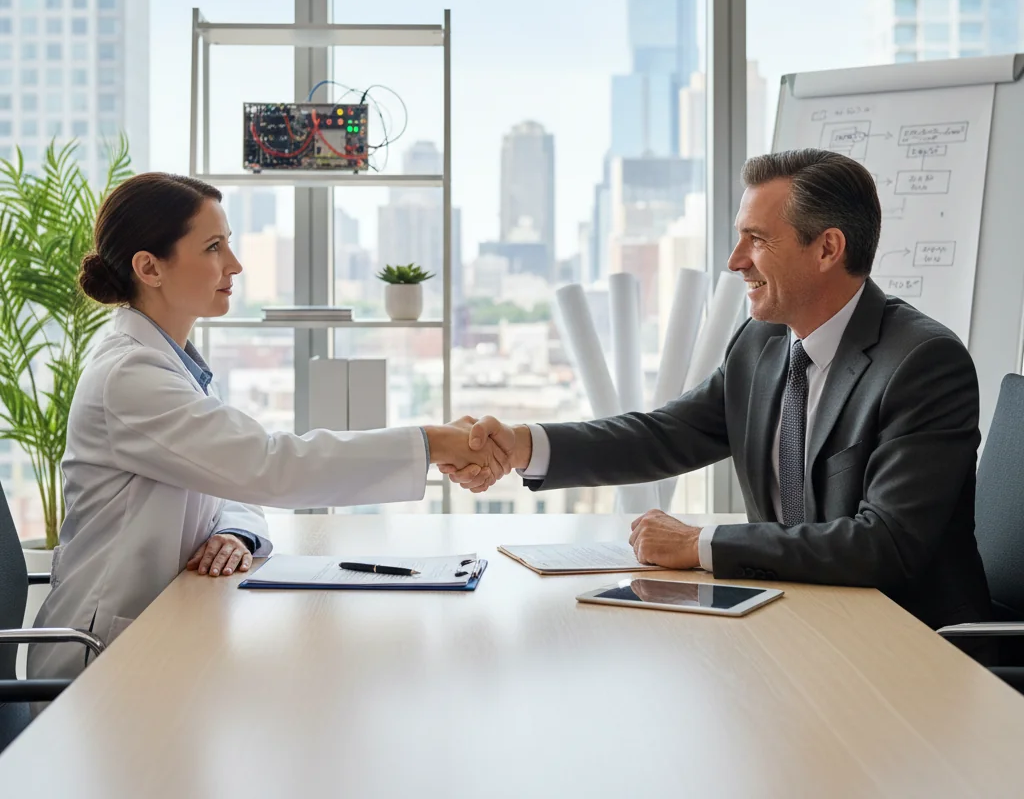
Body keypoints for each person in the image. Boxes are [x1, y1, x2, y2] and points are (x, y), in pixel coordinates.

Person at [444, 149, 991, 631]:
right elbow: (664, 435)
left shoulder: (922, 364)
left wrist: (700, 544)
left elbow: (885, 544)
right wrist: (520, 444)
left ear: (827, 248)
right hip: (794, 621)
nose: (735, 261)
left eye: (757, 240)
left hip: (905, 646)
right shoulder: (763, 342)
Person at [29, 173, 508, 683]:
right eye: (214, 247)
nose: (234, 265)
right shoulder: (131, 377)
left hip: (163, 634)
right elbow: (270, 466)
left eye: (229, 244)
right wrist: (432, 443)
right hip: (97, 662)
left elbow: (234, 486)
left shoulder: (171, 366)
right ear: (149, 267)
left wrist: (235, 533)